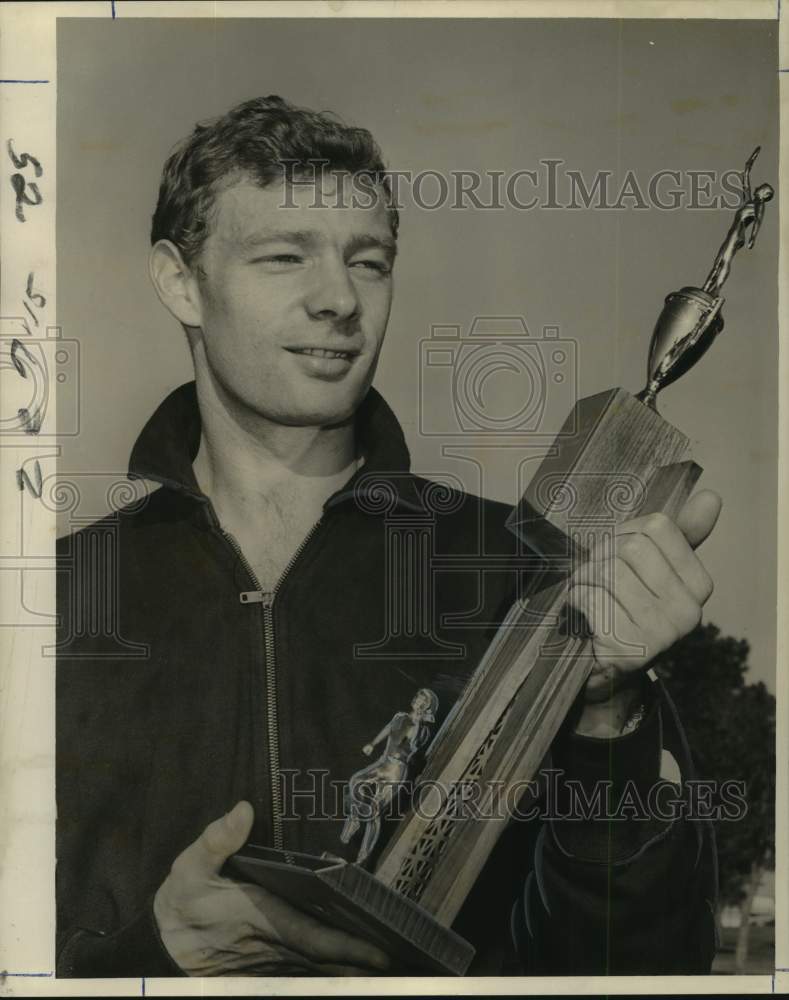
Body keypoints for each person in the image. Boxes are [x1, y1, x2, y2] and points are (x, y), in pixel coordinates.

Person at [56, 95, 722, 978]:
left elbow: (638, 962)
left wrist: (608, 716)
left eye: (368, 262)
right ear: (181, 280)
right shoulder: (55, 597)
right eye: (284, 256)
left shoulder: (518, 574)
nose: (338, 300)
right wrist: (155, 957)